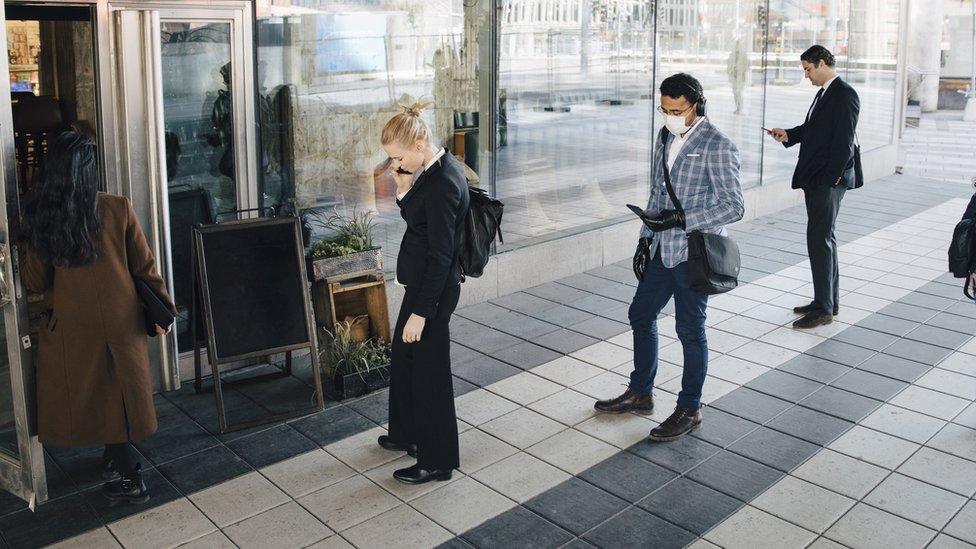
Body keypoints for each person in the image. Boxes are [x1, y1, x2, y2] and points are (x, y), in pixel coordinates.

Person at [20, 130, 175, 504]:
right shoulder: (117, 207)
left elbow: (34, 280)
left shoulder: (46, 217)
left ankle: (130, 478)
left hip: (73, 328)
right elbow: (145, 266)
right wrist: (164, 310)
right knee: (117, 394)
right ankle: (118, 462)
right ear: (90, 170)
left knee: (96, 395)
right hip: (122, 323)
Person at [595, 74, 744, 442]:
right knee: (640, 314)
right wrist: (645, 239)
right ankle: (641, 392)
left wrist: (684, 220)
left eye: (677, 110)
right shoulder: (665, 135)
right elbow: (657, 193)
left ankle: (689, 408)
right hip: (662, 249)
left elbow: (734, 206)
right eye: (664, 109)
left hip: (693, 254)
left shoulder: (718, 145)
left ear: (697, 104)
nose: (670, 116)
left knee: (690, 330)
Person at [378, 100, 470, 484]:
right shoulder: (429, 175)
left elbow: (441, 255)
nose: (395, 165)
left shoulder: (444, 183)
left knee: (430, 374)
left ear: (419, 146)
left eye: (398, 158)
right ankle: (407, 434)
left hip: (432, 292)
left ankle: (437, 460)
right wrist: (402, 189)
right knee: (405, 359)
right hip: (422, 287)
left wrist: (422, 312)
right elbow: (421, 223)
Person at [767, 45, 861, 329]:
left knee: (819, 241)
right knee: (823, 240)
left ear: (822, 63)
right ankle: (827, 301)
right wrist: (789, 135)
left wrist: (830, 180)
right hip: (820, 179)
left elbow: (843, 143)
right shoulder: (825, 93)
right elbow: (815, 130)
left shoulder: (844, 94)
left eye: (808, 69)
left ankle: (823, 309)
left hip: (827, 181)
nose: (807, 76)